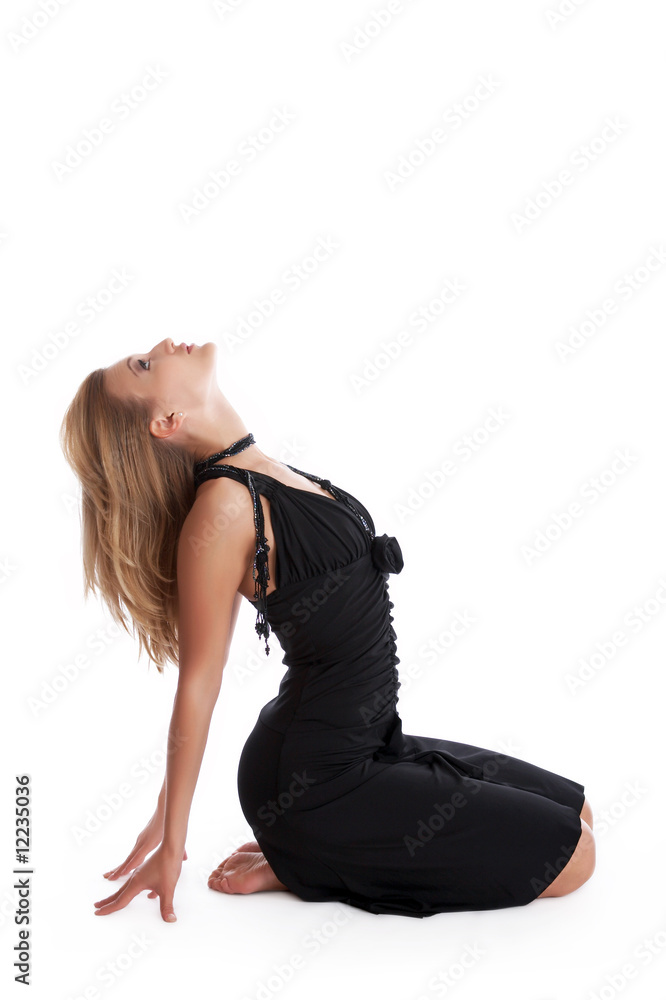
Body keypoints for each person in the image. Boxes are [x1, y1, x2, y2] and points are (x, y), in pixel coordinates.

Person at [60, 338, 595, 923]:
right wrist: (170, 836)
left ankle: (309, 853)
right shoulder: (223, 510)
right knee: (575, 858)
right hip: (314, 782)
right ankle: (311, 857)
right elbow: (200, 685)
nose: (163, 345)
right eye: (144, 365)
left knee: (579, 815)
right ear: (166, 420)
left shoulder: (260, 472)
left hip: (372, 745)